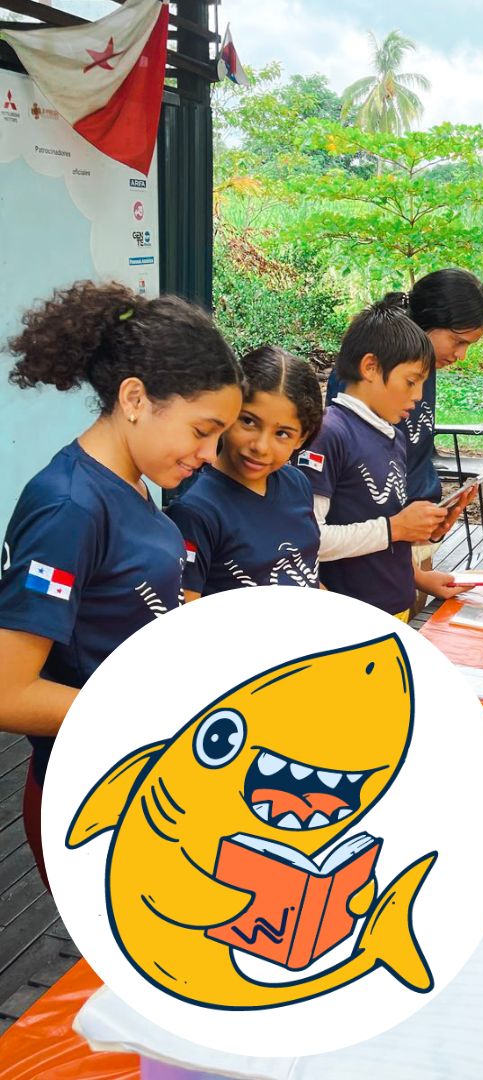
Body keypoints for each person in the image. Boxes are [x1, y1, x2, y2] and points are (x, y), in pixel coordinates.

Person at [0, 281, 242, 886]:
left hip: (142, 775)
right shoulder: (69, 506)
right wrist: (147, 715)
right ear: (135, 398)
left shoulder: (131, 480)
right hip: (86, 793)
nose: (210, 453)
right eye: (202, 430)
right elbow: (8, 693)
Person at [325, 269, 483, 609]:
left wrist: (433, 525)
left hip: (404, 548)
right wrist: (399, 529)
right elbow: (345, 505)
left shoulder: (417, 370)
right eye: (458, 341)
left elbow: (408, 458)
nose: (461, 355)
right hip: (369, 562)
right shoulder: (353, 403)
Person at [298, 299, 469, 619]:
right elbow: (310, 539)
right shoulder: (330, 434)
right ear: (370, 368)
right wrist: (395, 528)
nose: (418, 396)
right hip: (350, 618)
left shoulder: (393, 437)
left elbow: (383, 529)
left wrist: (423, 546)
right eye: (411, 382)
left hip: (396, 609)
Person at [167, 346, 324, 600]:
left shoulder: (297, 484)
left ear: (301, 437)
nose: (260, 446)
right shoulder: (196, 512)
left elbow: (308, 572)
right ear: (227, 413)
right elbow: (186, 609)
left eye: (282, 433)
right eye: (249, 421)